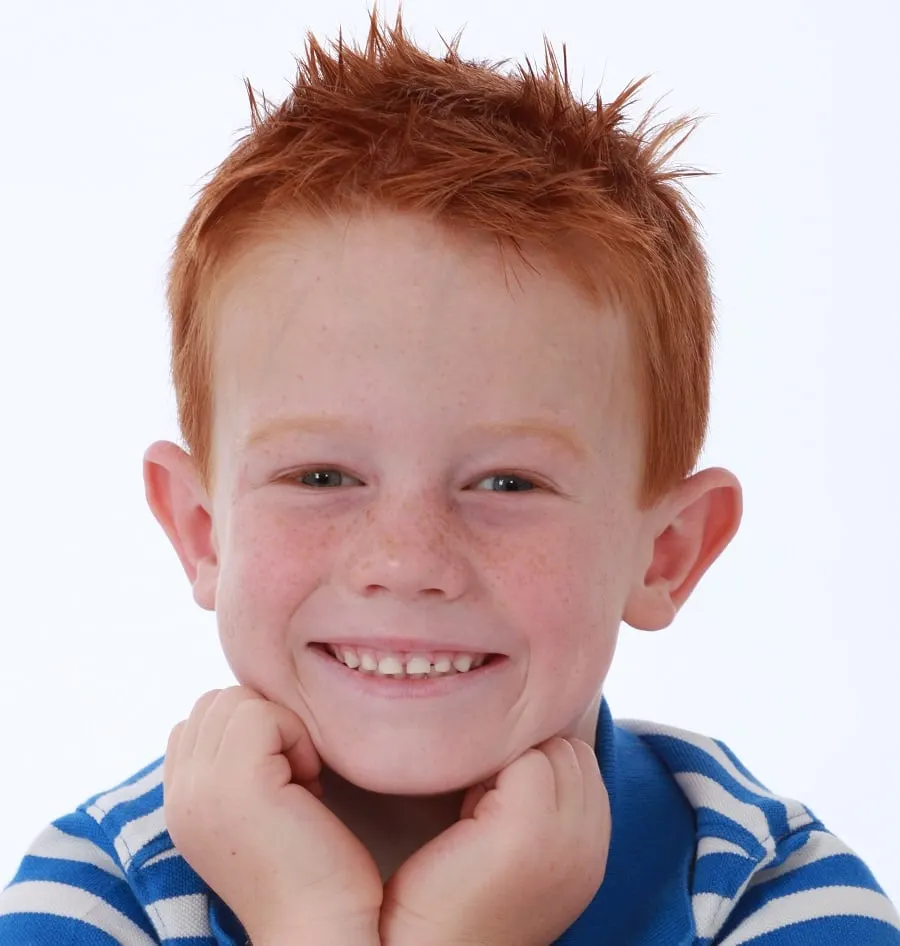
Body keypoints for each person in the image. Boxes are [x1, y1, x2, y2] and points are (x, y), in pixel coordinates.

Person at [1, 12, 897, 946]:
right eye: (320, 475)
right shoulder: (100, 893)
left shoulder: (767, 888)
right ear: (200, 530)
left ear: (667, 550)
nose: (405, 560)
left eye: (507, 484)